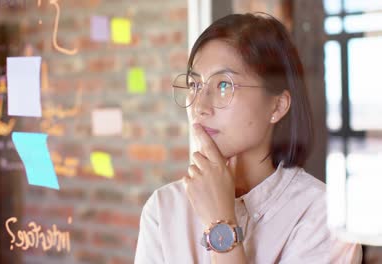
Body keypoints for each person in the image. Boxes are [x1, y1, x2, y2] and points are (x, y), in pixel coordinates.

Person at [134, 13, 362, 263]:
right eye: (195, 85)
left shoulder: (323, 217)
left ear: (277, 106)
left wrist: (220, 224)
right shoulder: (164, 208)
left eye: (223, 86)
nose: (199, 106)